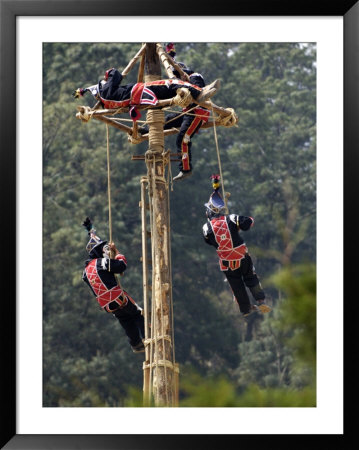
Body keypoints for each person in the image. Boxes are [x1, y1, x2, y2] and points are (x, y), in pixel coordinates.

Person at [202, 176, 271, 318]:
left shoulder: (205, 227)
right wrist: (241, 224)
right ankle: (260, 299)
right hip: (242, 257)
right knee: (250, 277)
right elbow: (248, 224)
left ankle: (245, 308)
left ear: (209, 212)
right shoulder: (232, 218)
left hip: (227, 262)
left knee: (236, 284)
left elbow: (209, 241)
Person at [81, 217, 145, 353]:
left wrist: (90, 231)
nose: (106, 252)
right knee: (138, 314)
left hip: (107, 305)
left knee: (125, 319)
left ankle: (136, 344)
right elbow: (121, 266)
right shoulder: (101, 263)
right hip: (117, 296)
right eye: (104, 250)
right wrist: (117, 253)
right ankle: (148, 336)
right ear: (98, 252)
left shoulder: (86, 272)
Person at [73, 67, 219, 111]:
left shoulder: (107, 103)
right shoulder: (105, 90)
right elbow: (115, 73)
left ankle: (196, 95)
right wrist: (107, 75)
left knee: (171, 91)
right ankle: (199, 92)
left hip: (142, 100)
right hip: (142, 91)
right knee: (171, 83)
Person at [164, 43, 211, 182]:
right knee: (167, 120)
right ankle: (144, 130)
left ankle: (185, 169)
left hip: (197, 113)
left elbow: (197, 93)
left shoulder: (195, 77)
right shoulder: (183, 81)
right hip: (188, 112)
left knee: (183, 139)